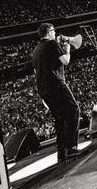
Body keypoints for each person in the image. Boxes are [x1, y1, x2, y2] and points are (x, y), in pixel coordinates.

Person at [32, 23, 83, 163]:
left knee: (60, 118)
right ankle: (72, 148)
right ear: (49, 32)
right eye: (53, 31)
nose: (55, 33)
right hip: (56, 84)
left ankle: (62, 153)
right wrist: (67, 49)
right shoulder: (52, 44)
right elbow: (66, 61)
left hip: (44, 89)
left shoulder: (36, 50)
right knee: (74, 110)